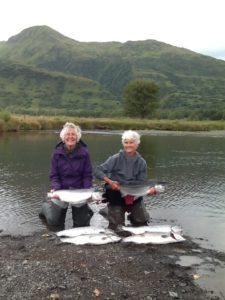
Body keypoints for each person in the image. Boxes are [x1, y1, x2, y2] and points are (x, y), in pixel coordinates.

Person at [94, 130, 157, 230]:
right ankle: (109, 211)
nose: (128, 145)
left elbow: (141, 183)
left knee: (142, 222)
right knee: (117, 227)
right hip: (115, 193)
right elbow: (97, 171)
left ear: (137, 144)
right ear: (123, 143)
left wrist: (149, 192)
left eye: (131, 142)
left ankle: (131, 214)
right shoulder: (115, 158)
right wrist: (110, 181)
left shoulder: (142, 163)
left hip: (134, 194)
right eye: (126, 142)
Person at [39, 122, 93, 228]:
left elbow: (87, 175)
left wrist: (88, 190)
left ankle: (87, 210)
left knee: (81, 224)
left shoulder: (84, 153)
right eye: (68, 134)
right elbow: (54, 175)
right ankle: (45, 207)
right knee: (54, 223)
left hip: (79, 191)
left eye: (73, 134)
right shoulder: (56, 153)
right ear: (63, 137)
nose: (70, 137)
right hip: (62, 189)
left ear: (77, 137)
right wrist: (56, 189)